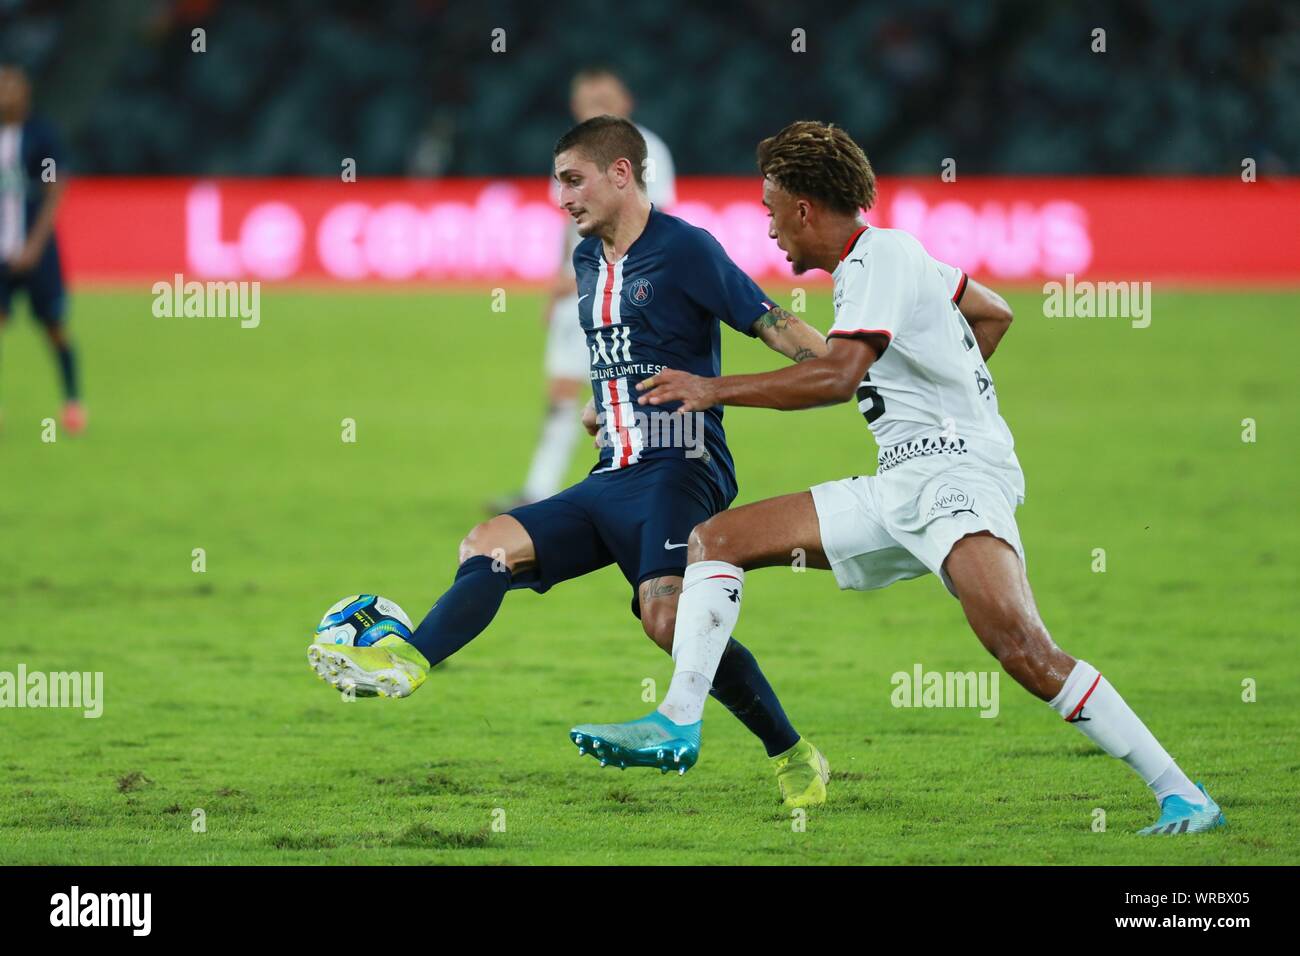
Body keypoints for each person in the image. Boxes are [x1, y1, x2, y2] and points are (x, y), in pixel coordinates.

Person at [573, 121, 1225, 836]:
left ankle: (1182, 792)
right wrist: (947, 376)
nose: (768, 232)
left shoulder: (878, 258)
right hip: (898, 482)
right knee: (715, 539)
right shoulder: (888, 260)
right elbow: (992, 312)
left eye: (769, 211)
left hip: (955, 479)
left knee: (1022, 650)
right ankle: (678, 721)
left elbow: (836, 377)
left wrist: (712, 389)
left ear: (804, 209)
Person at [311, 116, 833, 807]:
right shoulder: (587, 259)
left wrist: (847, 366)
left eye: (573, 179)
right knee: (489, 542)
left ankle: (793, 755)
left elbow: (774, 322)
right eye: (558, 183)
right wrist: (604, 409)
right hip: (612, 472)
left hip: (680, 469)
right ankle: (409, 660)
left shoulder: (687, 250)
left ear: (621, 173)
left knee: (667, 623)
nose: (562, 197)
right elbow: (618, 357)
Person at [487, 67, 676, 513]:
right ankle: (539, 490)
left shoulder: (648, 153)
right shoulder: (572, 151)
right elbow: (567, 224)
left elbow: (654, 225)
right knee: (561, 394)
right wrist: (559, 282)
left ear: (626, 102)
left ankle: (643, 486)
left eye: (605, 100)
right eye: (589, 103)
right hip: (579, 292)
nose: (597, 110)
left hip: (626, 290)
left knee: (632, 393)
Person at [0, 63, 82, 434]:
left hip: (36, 252)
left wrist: (34, 244)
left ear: (25, 93)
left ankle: (72, 402)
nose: (5, 93)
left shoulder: (40, 135)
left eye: (11, 87)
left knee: (54, 326)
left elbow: (53, 189)